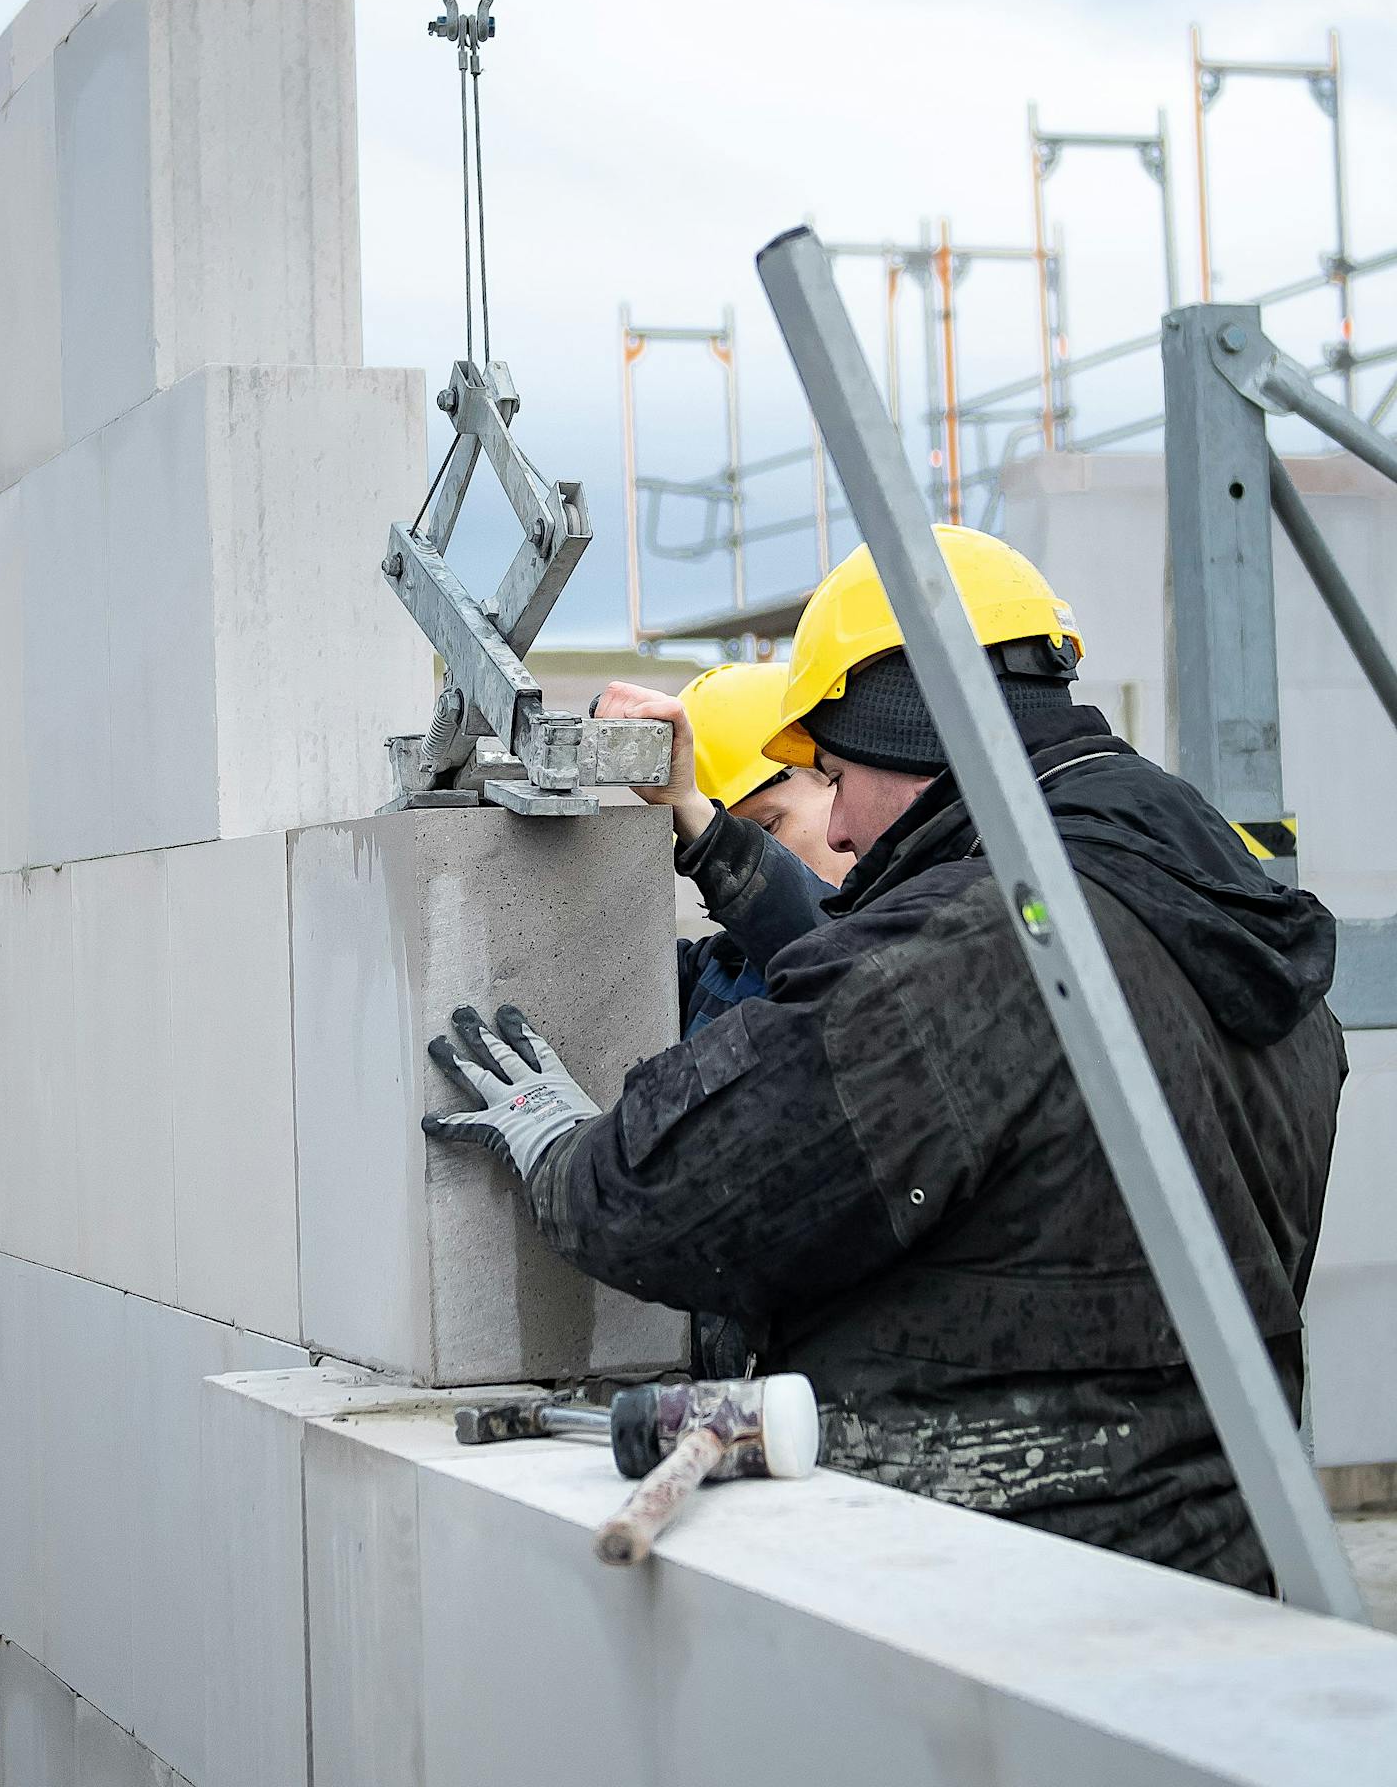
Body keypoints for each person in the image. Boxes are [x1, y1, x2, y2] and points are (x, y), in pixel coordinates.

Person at [422, 527, 1344, 1592]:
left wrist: (559, 1146)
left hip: (986, 1611)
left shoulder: (977, 949)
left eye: (835, 770)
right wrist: (711, 836)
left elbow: (664, 1198)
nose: (846, 825)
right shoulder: (1218, 916)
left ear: (910, 726)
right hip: (1213, 1597)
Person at [597, 662, 853, 1039]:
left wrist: (695, 813)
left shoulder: (935, 922)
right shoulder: (719, 971)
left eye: (767, 827)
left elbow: (834, 957)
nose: (734, 887)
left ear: (835, 774)